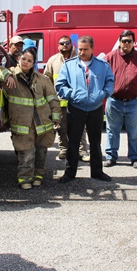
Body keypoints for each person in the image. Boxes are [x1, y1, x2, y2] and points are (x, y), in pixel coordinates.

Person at [0, 48, 61, 189]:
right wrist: (7, 76)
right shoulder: (11, 75)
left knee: (41, 151)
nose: (25, 62)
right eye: (23, 59)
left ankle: (38, 176)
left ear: (33, 63)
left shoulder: (43, 79)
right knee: (26, 151)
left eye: (29, 61)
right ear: (19, 59)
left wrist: (56, 116)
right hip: (23, 123)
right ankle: (24, 179)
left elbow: (53, 99)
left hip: (42, 123)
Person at [56, 35, 115, 183]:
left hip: (95, 109)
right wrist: (73, 95)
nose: (82, 52)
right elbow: (60, 85)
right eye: (80, 49)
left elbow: (110, 83)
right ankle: (70, 173)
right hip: (76, 108)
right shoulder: (69, 65)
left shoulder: (102, 65)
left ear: (92, 49)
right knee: (73, 142)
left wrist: (101, 95)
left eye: (85, 49)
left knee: (95, 142)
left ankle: (97, 172)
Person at [103, 30, 137, 169]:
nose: (126, 43)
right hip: (114, 101)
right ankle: (111, 157)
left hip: (134, 102)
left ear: (133, 43)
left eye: (129, 41)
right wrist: (106, 92)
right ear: (119, 42)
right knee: (112, 131)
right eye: (124, 41)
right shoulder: (110, 57)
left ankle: (134, 157)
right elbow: (101, 75)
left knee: (133, 132)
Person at [43, 35, 90, 162]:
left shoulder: (79, 58)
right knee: (61, 127)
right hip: (59, 100)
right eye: (62, 43)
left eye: (67, 43)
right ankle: (64, 149)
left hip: (76, 100)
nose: (64, 45)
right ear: (58, 46)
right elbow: (46, 79)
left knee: (80, 126)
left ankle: (82, 151)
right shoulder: (53, 60)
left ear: (71, 44)